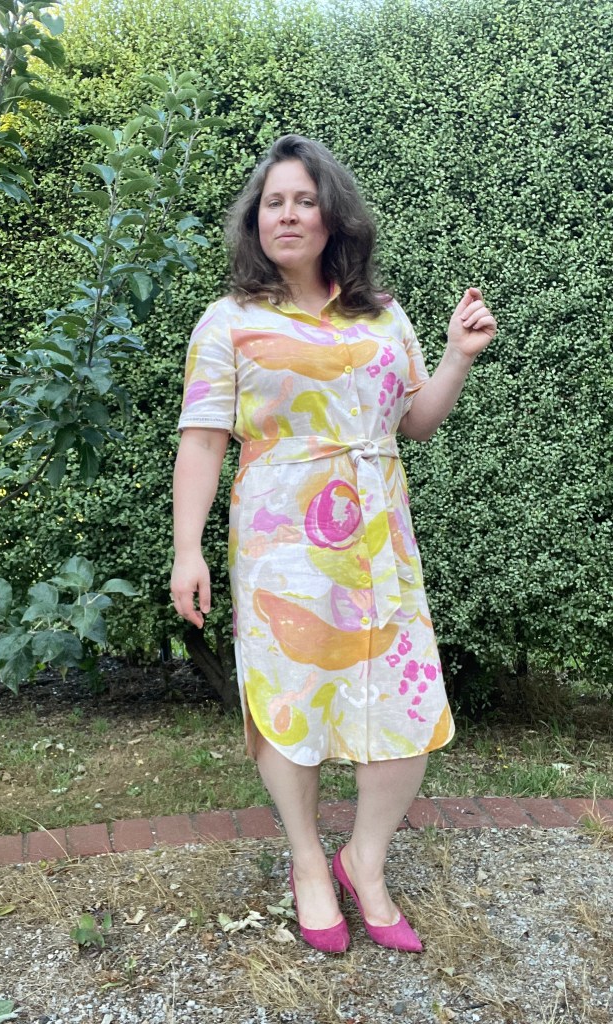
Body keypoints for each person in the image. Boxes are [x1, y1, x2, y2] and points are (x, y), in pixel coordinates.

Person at [170, 134, 497, 954]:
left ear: (332, 217)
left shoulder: (382, 315)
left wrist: (457, 356)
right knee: (292, 701)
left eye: (304, 201)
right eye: (273, 202)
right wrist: (187, 550)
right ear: (256, 220)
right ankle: (310, 861)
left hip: (381, 543)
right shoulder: (229, 321)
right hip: (279, 542)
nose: (287, 215)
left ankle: (366, 860)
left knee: (405, 700)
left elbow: (415, 422)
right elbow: (202, 440)